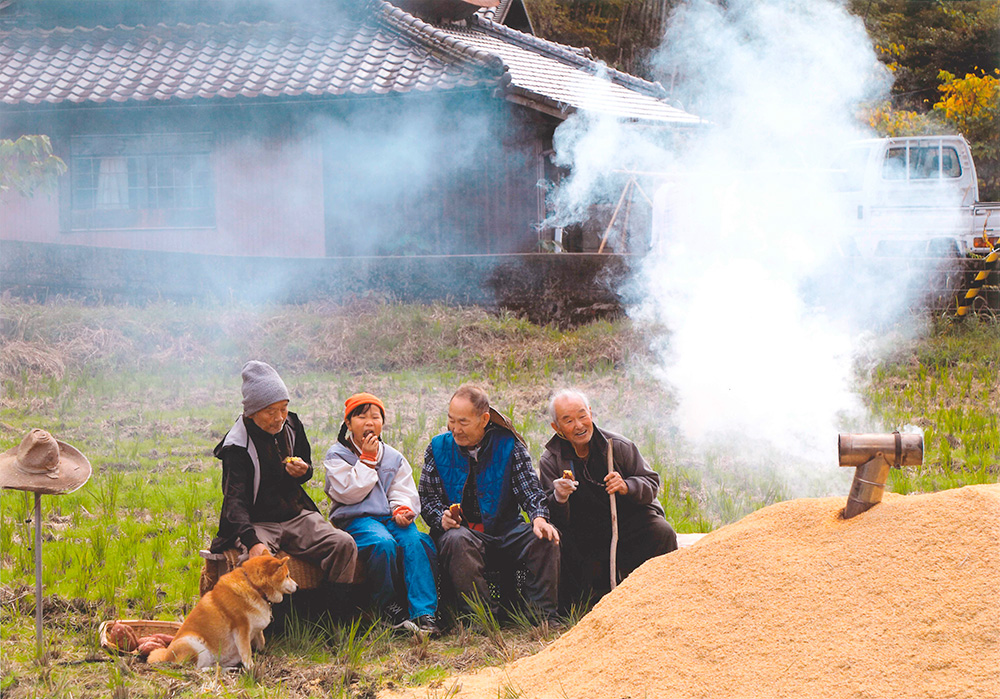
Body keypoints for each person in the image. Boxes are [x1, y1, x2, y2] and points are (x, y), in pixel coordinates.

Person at [418, 384, 561, 623]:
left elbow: (530, 490)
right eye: (451, 420)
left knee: (545, 538)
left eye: (463, 422)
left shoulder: (509, 445)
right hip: (463, 534)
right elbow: (428, 499)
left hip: (506, 531)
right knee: (456, 540)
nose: (455, 429)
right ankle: (483, 618)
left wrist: (539, 518)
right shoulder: (438, 447)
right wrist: (441, 518)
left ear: (484, 419)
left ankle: (542, 617)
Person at [210, 360, 357, 587]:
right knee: (255, 564)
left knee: (343, 544)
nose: (279, 417)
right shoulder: (236, 447)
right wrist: (252, 542)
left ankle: (331, 613)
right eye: (270, 411)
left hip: (296, 515)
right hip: (258, 522)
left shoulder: (292, 425)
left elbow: (306, 466)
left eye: (283, 408)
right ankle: (266, 621)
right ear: (251, 412)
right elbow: (234, 503)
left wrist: (304, 471)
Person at [540, 389, 676, 607]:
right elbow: (548, 512)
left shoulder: (618, 446)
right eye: (568, 420)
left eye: (582, 415)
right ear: (557, 428)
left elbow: (651, 482)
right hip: (585, 531)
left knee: (661, 532)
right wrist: (559, 498)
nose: (579, 425)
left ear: (591, 414)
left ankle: (665, 598)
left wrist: (627, 486)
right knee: (565, 549)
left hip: (628, 520)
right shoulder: (551, 460)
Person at [324, 392, 439, 636]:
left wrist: (402, 509)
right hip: (356, 519)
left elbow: (402, 489)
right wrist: (365, 460)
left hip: (389, 518)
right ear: (348, 423)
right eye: (361, 417)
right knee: (382, 543)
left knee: (416, 540)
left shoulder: (393, 456)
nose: (369, 423)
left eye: (375, 417)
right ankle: (387, 607)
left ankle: (424, 612)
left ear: (382, 423)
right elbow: (347, 493)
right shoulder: (337, 455)